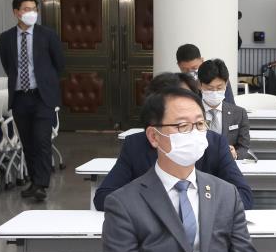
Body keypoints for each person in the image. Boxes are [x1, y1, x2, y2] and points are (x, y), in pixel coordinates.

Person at [102, 86, 263, 252]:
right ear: (153, 137)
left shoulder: (226, 193)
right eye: (182, 126)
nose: (195, 134)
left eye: (199, 124)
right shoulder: (124, 204)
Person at [93, 73, 253, 211]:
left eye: (198, 122)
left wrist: (196, 203)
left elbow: (243, 197)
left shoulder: (215, 143)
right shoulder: (136, 145)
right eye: (181, 124)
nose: (185, 105)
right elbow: (104, 197)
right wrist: (164, 205)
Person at [0, 0, 65, 202]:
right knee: (27, 143)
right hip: (20, 98)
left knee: (42, 140)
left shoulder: (48, 35)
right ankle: (34, 181)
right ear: (16, 12)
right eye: (26, 9)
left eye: (34, 9)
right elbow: (8, 65)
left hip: (42, 97)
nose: (31, 13)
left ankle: (42, 185)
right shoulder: (6, 37)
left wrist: (48, 84)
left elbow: (60, 64)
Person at [197, 59, 250, 159]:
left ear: (226, 84)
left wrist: (236, 153)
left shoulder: (239, 113)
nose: (214, 92)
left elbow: (244, 147)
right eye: (209, 88)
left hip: (227, 164)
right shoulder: (192, 112)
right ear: (200, 85)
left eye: (219, 87)